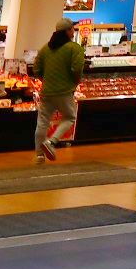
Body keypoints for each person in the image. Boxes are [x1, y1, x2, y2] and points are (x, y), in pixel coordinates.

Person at [33, 22, 88, 163]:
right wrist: (75, 82)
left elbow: (36, 69)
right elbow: (77, 68)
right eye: (72, 29)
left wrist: (46, 80)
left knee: (42, 122)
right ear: (68, 31)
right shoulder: (74, 48)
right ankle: (51, 142)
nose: (74, 31)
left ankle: (39, 155)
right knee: (70, 118)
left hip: (46, 91)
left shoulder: (45, 48)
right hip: (64, 91)